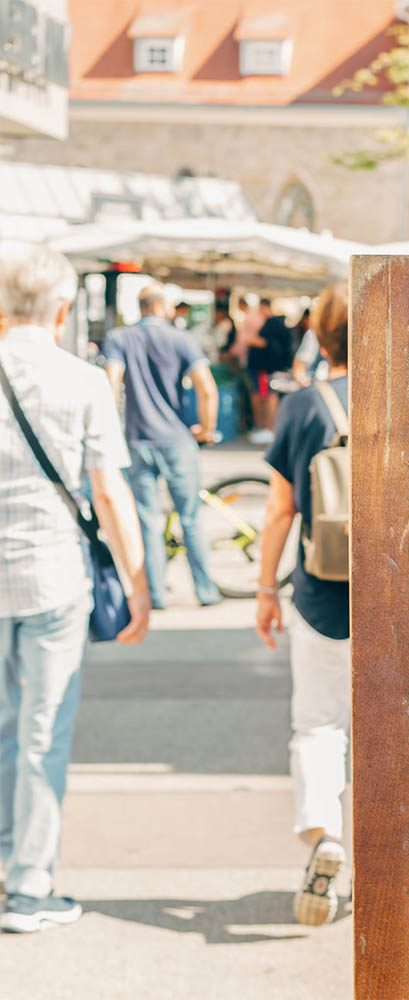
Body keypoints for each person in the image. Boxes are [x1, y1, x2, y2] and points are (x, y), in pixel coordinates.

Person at [0, 247, 151, 934]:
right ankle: (29, 888)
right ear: (62, 310)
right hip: (54, 578)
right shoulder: (82, 380)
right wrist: (138, 580)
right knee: (41, 734)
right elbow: (109, 492)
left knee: (5, 730)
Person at [255, 283, 350, 926]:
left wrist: (265, 590)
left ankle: (326, 837)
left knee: (319, 724)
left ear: (319, 330)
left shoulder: (302, 407)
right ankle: (389, 857)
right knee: (392, 731)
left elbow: (280, 509)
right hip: (405, 592)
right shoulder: (408, 393)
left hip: (321, 591)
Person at [102, 283, 222, 610]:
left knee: (147, 520)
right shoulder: (182, 340)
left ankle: (155, 595)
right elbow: (207, 389)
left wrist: (112, 429)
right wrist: (207, 429)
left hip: (136, 440)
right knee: (191, 517)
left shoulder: (119, 338)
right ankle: (205, 591)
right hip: (177, 439)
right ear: (157, 307)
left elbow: (111, 383)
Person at [246, 299, 293, 446]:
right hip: (271, 367)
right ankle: (267, 428)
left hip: (265, 368)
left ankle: (268, 428)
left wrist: (251, 340)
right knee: (268, 396)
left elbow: (264, 343)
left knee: (267, 396)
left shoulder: (271, 325)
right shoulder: (279, 324)